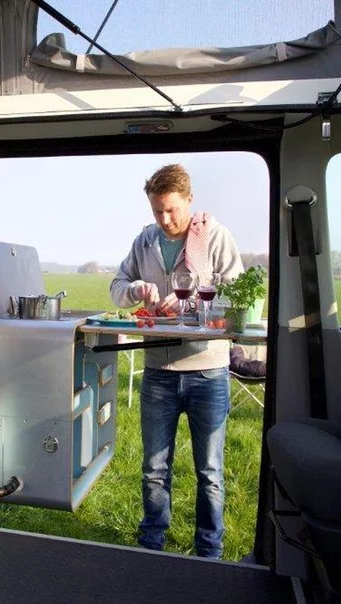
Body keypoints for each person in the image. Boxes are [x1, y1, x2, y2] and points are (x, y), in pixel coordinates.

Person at [110, 163, 244, 558]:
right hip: (159, 373)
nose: (165, 220)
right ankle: (151, 546)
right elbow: (117, 289)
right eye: (157, 211)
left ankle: (210, 552)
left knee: (210, 473)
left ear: (189, 199)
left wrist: (194, 296)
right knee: (153, 470)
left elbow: (240, 297)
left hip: (207, 369)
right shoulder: (144, 241)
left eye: (172, 210)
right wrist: (135, 287)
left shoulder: (216, 238)